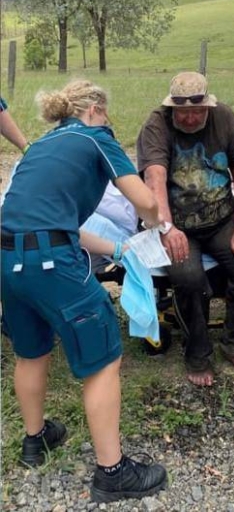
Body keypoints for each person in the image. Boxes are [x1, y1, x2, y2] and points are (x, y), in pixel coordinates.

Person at [1, 80, 168, 503]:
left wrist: (116, 248)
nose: (109, 120)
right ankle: (112, 472)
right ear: (94, 108)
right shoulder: (95, 138)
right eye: (107, 113)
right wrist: (155, 223)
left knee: (31, 351)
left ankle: (36, 441)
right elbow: (143, 199)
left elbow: (53, 223)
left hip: (9, 259)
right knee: (103, 360)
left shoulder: (40, 147)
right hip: (54, 264)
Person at [137, 71, 234, 387]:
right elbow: (154, 178)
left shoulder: (224, 117)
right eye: (183, 112)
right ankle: (197, 354)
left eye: (198, 111)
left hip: (220, 216)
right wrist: (166, 228)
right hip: (175, 221)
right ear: (172, 108)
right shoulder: (156, 125)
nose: (192, 118)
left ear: (208, 105)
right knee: (188, 278)